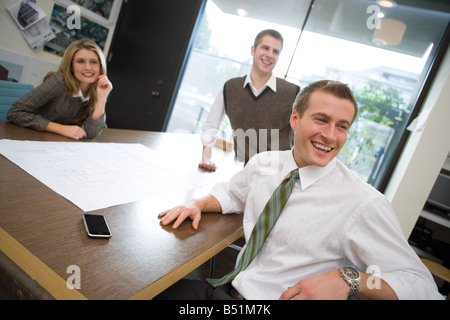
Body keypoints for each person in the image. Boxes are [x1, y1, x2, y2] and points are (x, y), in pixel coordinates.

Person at [157, 80, 443, 300]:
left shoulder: (363, 203)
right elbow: (231, 193)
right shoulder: (265, 163)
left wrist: (348, 279)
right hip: (229, 289)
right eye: (321, 119)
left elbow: (421, 286)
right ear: (295, 119)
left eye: (341, 126)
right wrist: (197, 203)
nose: (330, 136)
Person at [199, 29, 300, 171]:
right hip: (244, 170)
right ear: (253, 50)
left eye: (276, 51)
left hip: (280, 173)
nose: (270, 55)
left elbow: (303, 135)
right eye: (265, 48)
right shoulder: (230, 87)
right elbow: (211, 124)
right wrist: (206, 158)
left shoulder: (292, 92)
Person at [7, 39, 112, 140]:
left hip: (57, 145)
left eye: (94, 62)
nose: (88, 67)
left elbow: (91, 133)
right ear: (71, 66)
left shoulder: (95, 91)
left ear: (100, 65)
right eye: (80, 61)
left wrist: (102, 99)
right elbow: (15, 112)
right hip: (30, 137)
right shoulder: (59, 82)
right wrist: (60, 129)